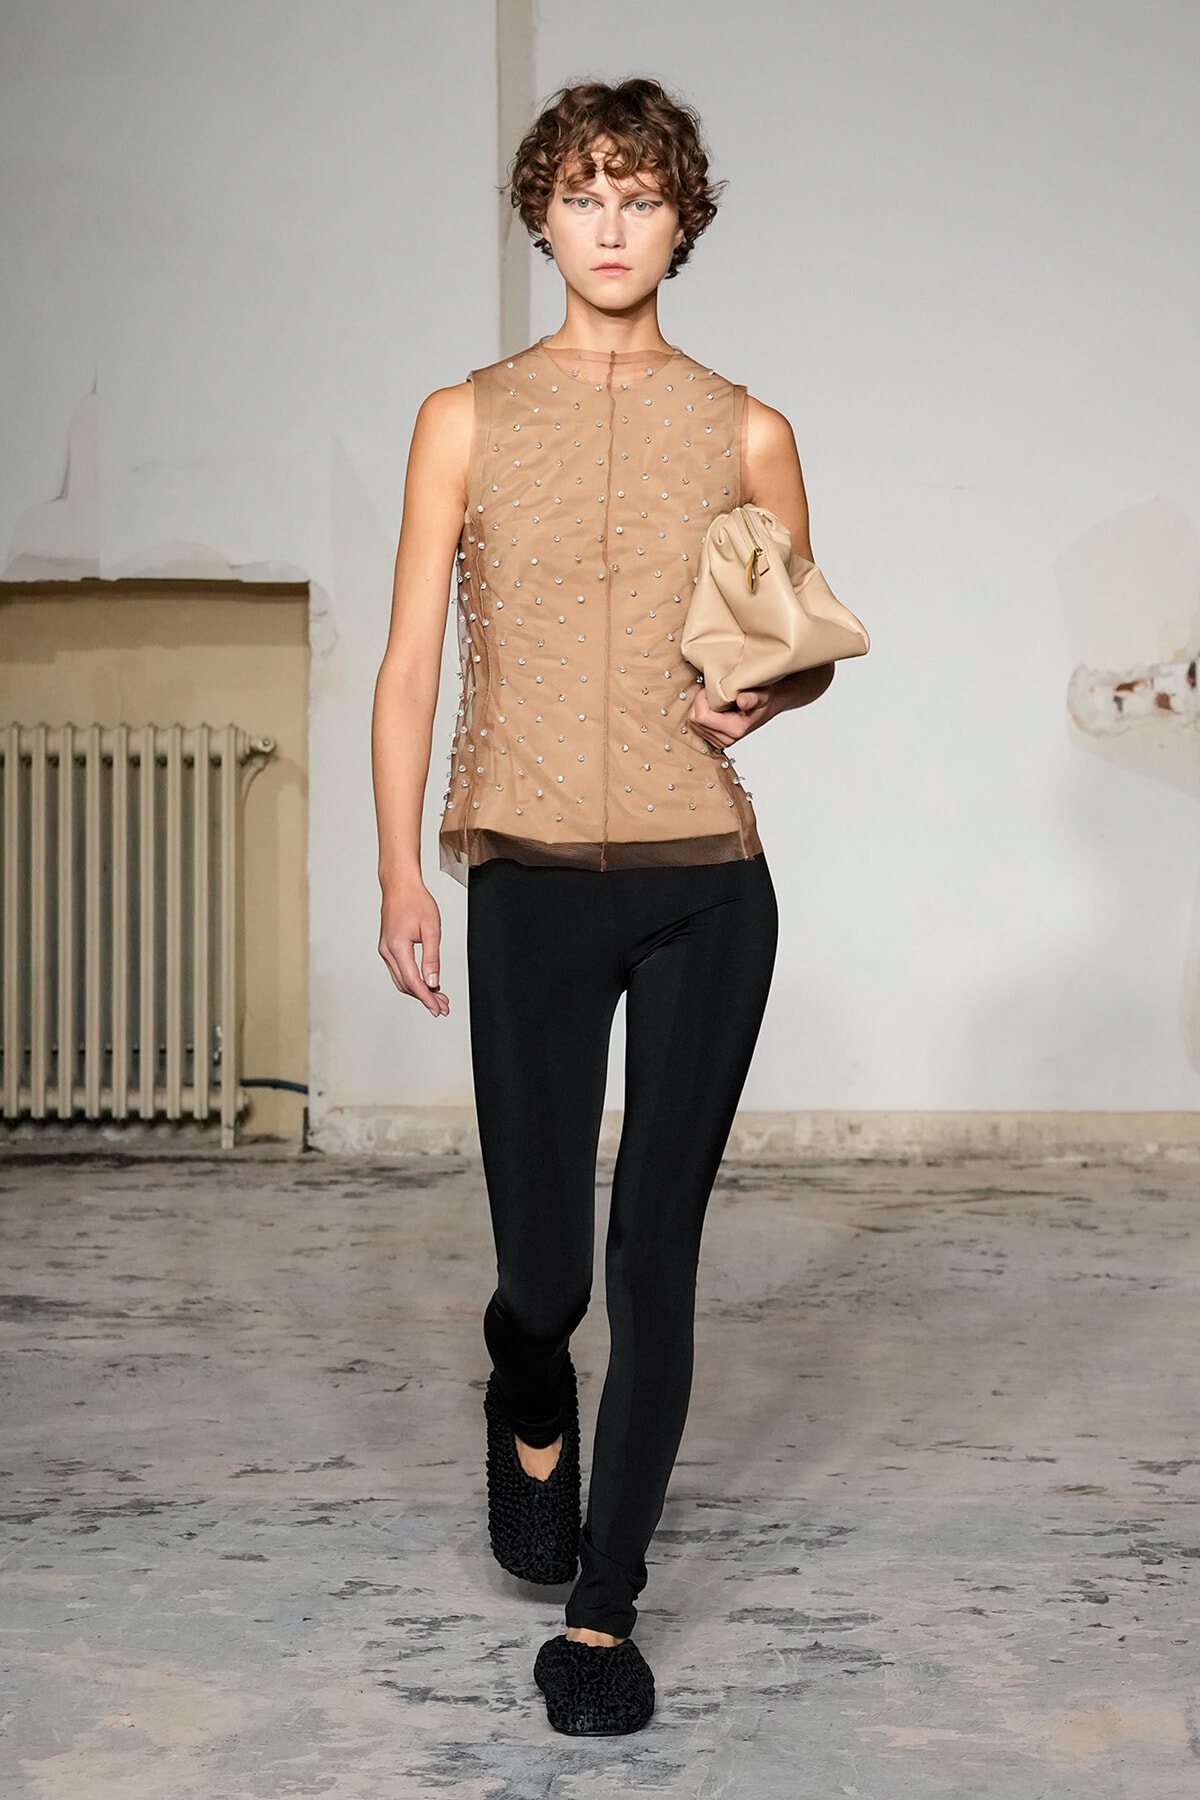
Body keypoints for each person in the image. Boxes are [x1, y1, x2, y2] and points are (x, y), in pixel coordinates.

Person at [371, 75, 836, 1736]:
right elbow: (411, 663)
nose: (613, 226)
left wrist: (768, 696)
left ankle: (603, 1607)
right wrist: (399, 869)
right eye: (584, 196)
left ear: (682, 220)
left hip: (708, 885)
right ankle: (524, 1385)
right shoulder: (466, 418)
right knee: (550, 1277)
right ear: (543, 218)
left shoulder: (749, 429)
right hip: (529, 884)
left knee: (654, 1261)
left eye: (641, 198)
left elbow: (795, 642)